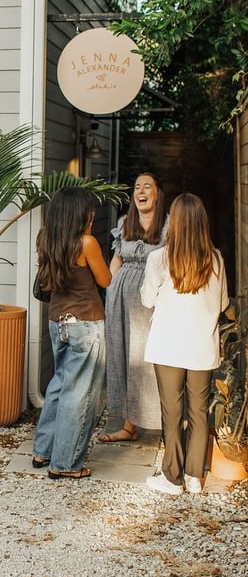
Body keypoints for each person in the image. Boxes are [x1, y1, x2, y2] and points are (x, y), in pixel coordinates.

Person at [141, 193, 228, 495]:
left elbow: (147, 299)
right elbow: (222, 304)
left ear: (174, 223)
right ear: (202, 223)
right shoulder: (216, 259)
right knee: (200, 412)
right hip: (202, 347)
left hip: (168, 347)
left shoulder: (159, 259)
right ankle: (194, 477)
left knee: (173, 412)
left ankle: (171, 477)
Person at [32, 186, 112, 479]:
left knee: (59, 385)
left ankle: (43, 450)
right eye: (90, 210)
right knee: (79, 394)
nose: (92, 214)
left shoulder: (46, 238)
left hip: (58, 322)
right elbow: (105, 280)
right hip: (85, 323)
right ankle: (65, 464)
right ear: (80, 213)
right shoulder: (86, 242)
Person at [100, 172, 167, 443]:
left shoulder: (168, 226)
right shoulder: (124, 223)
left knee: (149, 360)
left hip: (150, 300)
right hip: (119, 298)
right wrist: (109, 290)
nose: (141, 191)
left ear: (157, 194)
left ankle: (164, 424)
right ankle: (129, 425)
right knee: (123, 357)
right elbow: (116, 260)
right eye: (137, 187)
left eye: (147, 186)